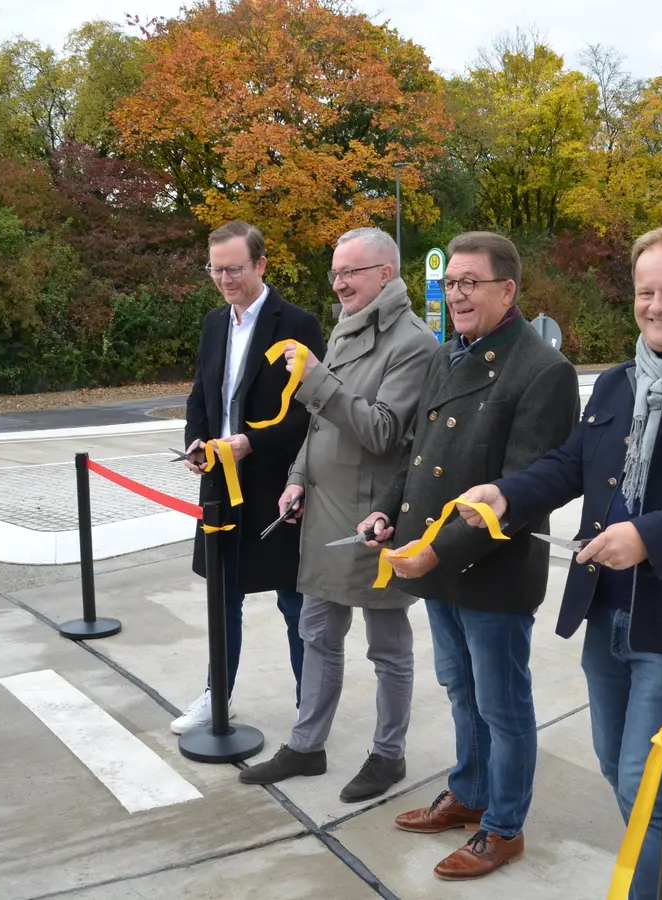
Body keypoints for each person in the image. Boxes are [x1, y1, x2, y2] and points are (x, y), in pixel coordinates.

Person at [456, 225, 662, 899]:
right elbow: (568, 466)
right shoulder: (615, 383)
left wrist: (646, 536)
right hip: (607, 609)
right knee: (616, 766)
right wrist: (507, 493)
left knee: (647, 782)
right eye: (645, 292)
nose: (657, 306)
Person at [360, 231, 580, 880]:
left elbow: (524, 492)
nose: (455, 295)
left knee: (502, 707)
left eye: (469, 284)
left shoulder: (542, 371)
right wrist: (388, 513)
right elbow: (417, 454)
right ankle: (470, 792)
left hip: (492, 574)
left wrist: (436, 554)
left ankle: (504, 827)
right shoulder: (447, 354)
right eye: (449, 283)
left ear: (507, 290)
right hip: (438, 563)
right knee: (460, 691)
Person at [236, 227, 440, 802]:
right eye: (336, 272)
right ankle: (307, 745)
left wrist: (316, 380)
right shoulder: (347, 328)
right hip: (324, 512)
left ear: (386, 274)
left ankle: (388, 755)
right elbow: (320, 424)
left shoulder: (414, 343)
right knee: (318, 633)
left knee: (387, 647)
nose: (339, 283)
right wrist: (297, 478)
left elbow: (382, 431)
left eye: (351, 272)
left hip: (373, 522)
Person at [174, 220, 327, 735]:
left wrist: (251, 443)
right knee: (222, 597)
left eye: (234, 269)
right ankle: (217, 695)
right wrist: (196, 442)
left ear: (260, 264)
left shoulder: (298, 324)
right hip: (219, 482)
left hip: (278, 483)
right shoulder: (214, 323)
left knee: (293, 602)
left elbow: (311, 412)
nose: (224, 279)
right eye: (215, 269)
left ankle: (309, 708)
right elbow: (201, 396)